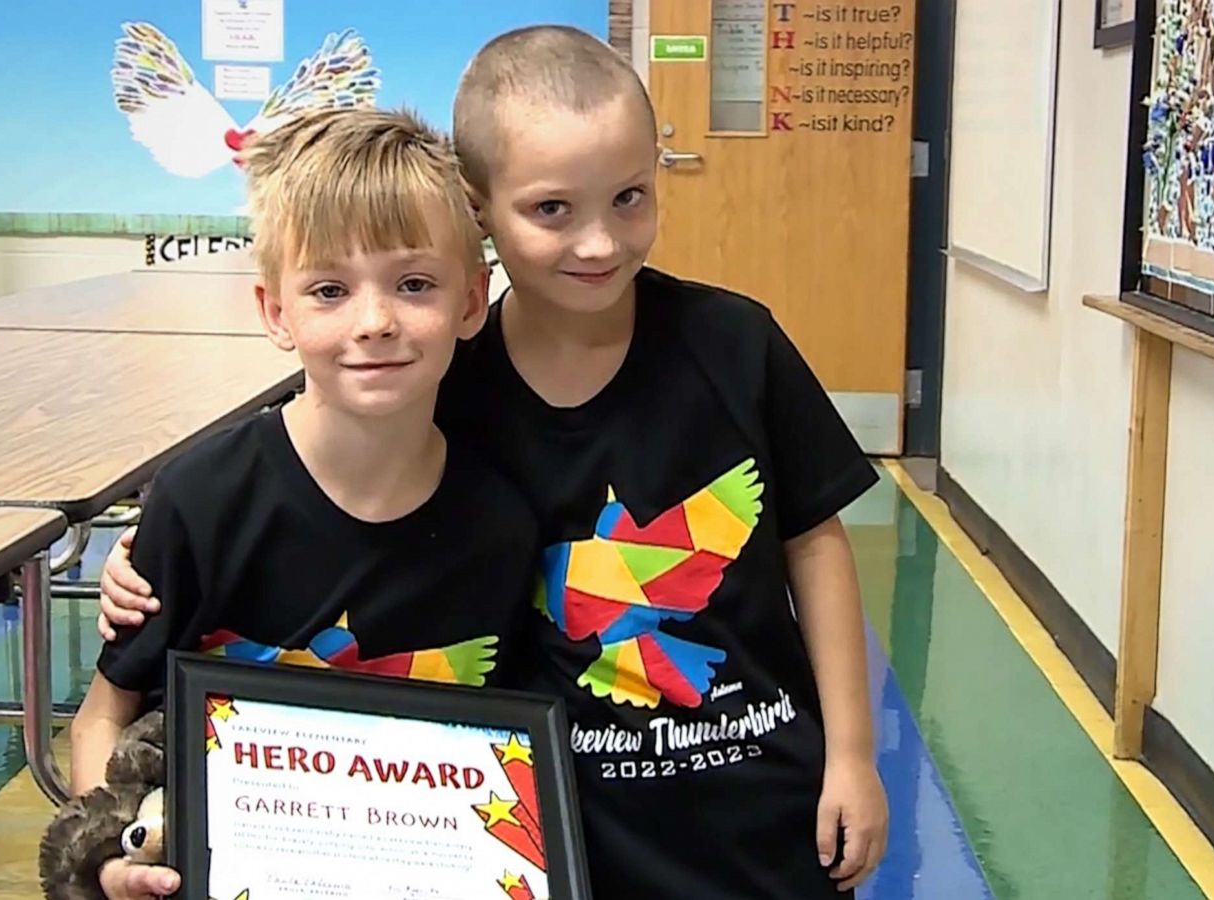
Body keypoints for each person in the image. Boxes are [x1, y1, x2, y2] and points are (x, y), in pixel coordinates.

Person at [100, 26, 889, 898]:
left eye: (629, 198)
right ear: (480, 212)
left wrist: (851, 754)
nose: (598, 243)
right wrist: (152, 553)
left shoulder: (736, 343)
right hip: (567, 824)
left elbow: (814, 542)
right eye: (553, 209)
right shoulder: (444, 387)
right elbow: (342, 496)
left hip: (761, 810)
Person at [73, 105, 540, 900]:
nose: (376, 321)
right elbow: (99, 721)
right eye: (329, 289)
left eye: (415, 284)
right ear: (275, 313)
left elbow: (511, 757)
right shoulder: (203, 499)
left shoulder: (503, 521)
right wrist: (110, 858)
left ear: (471, 302)